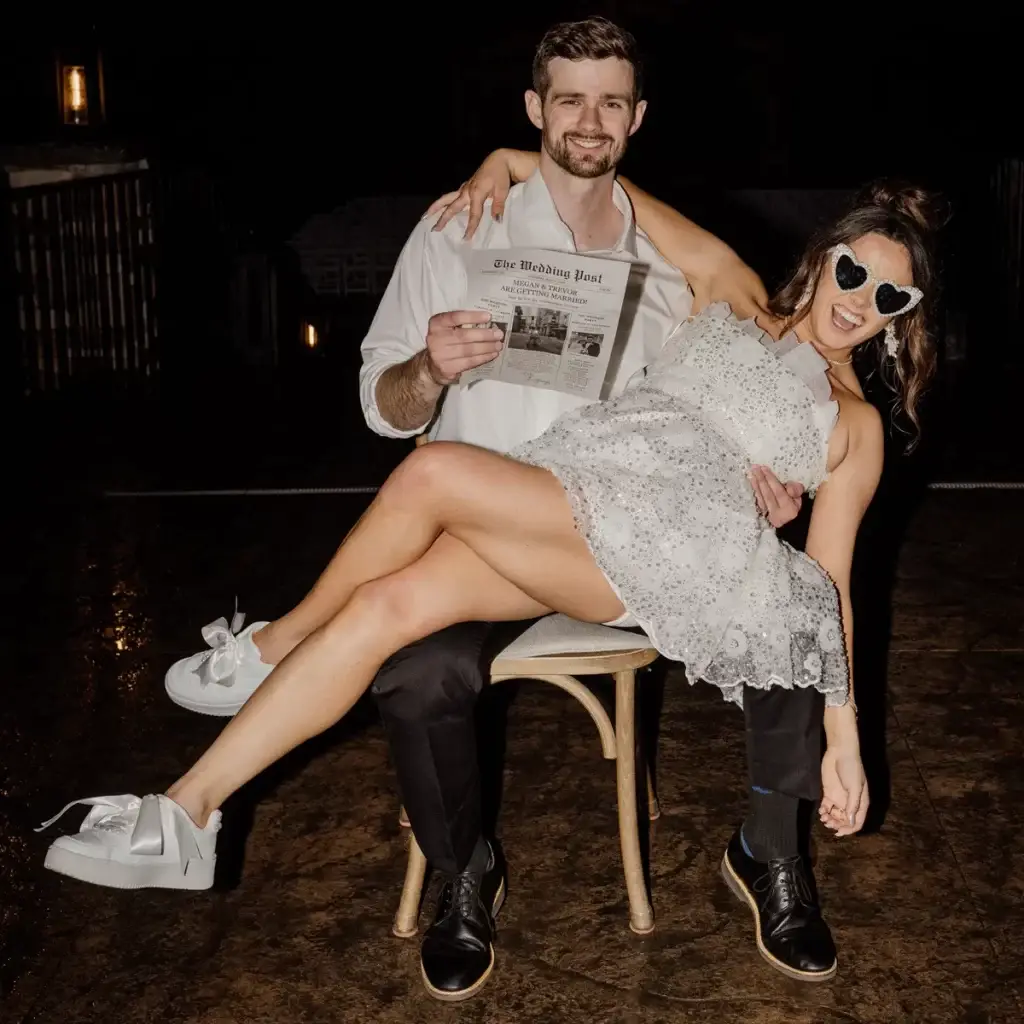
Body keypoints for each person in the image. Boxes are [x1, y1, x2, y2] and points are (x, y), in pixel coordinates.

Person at [38, 170, 941, 994]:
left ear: (903, 318)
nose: (862, 301)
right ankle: (187, 814)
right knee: (384, 607)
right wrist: (510, 155)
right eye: (854, 273)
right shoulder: (734, 292)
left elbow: (825, 589)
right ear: (825, 263)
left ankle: (271, 644)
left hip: (665, 550)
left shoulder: (854, 425)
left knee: (431, 477)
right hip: (582, 491)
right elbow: (611, 183)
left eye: (889, 295)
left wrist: (845, 738)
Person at [150, 16, 803, 1002]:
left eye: (611, 101)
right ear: (535, 108)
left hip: (604, 546)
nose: (590, 120)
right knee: (414, 669)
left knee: (776, 600)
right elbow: (381, 400)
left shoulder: (667, 260)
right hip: (466, 552)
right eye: (569, 100)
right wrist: (428, 368)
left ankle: (263, 673)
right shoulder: (461, 223)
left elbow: (731, 369)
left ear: (637, 117)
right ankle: (463, 867)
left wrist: (755, 462)